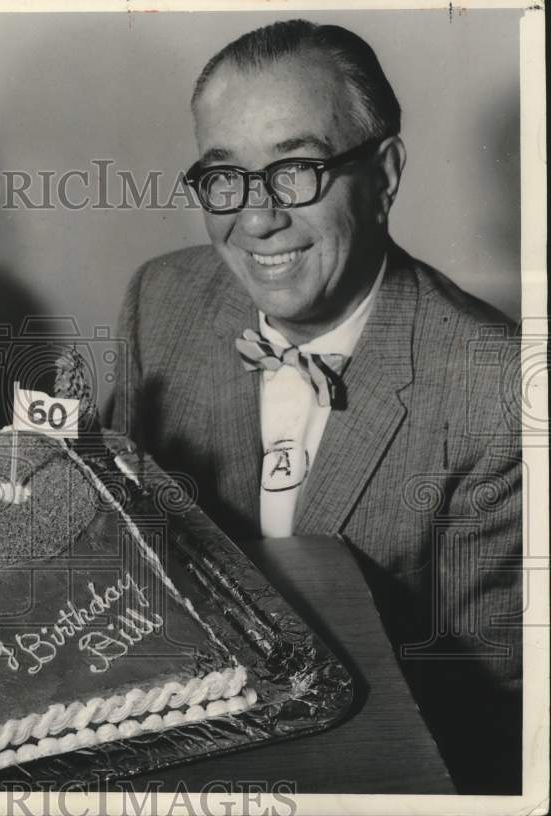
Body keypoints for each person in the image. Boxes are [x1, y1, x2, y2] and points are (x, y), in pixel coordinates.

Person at [108, 20, 521, 793]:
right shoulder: (159, 300)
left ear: (386, 173)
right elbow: (121, 556)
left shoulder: (499, 393)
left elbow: (491, 716)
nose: (256, 218)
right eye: (224, 176)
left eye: (295, 169)